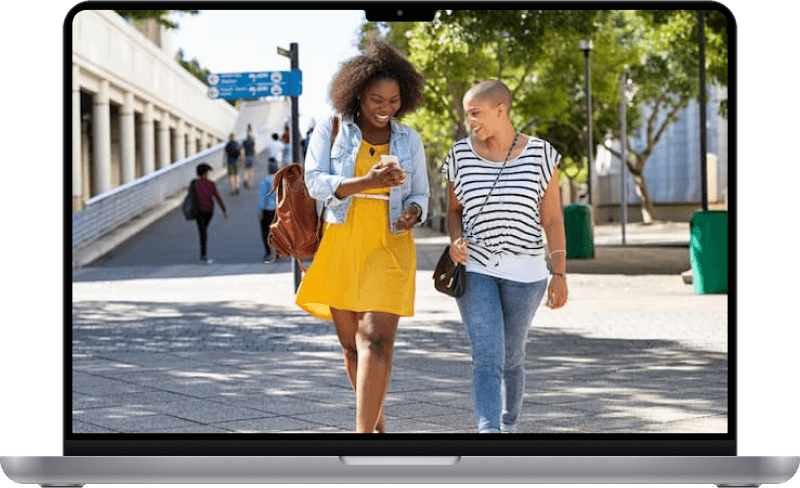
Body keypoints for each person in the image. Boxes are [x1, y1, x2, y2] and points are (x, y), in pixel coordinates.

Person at [295, 35, 428, 433]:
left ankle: (363, 436)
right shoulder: (331, 129)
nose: (386, 108)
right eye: (376, 100)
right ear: (355, 95)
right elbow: (314, 182)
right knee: (353, 347)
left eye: (393, 100)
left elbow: (421, 192)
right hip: (342, 241)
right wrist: (364, 182)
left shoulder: (409, 139)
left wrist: (413, 211)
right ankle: (378, 427)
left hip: (390, 244)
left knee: (377, 340)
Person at [444, 80, 569, 433]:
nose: (471, 122)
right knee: (487, 358)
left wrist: (559, 274)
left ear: (501, 110)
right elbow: (454, 211)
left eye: (476, 114)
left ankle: (507, 425)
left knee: (512, 358)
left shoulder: (541, 154)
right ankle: (489, 433)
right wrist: (455, 240)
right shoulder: (459, 155)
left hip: (527, 273)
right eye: (468, 115)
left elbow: (553, 218)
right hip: (476, 269)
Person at [193, 163, 228, 264]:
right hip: (209, 211)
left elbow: (192, 199)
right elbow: (217, 197)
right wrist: (224, 210)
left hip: (199, 211)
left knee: (202, 231)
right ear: (205, 173)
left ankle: (203, 253)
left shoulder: (195, 184)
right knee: (204, 230)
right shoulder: (211, 184)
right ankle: (203, 253)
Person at [258, 162, 279, 263]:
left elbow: (262, 196)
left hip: (267, 209)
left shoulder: (265, 180)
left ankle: (268, 251)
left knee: (265, 231)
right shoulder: (280, 179)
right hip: (278, 209)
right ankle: (278, 251)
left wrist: (260, 210)